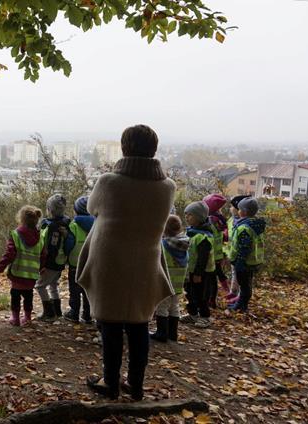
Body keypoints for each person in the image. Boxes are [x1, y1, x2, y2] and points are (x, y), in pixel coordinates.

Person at [77, 125, 175, 401]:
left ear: (124, 147)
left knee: (110, 324)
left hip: (109, 260)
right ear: (153, 149)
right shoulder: (168, 187)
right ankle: (136, 384)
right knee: (138, 324)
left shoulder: (109, 182)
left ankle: (111, 383)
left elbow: (91, 208)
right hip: (146, 261)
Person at [0, 205, 46, 327]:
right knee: (28, 296)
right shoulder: (41, 237)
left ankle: (15, 318)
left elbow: (10, 253)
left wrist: (2, 266)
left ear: (21, 219)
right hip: (32, 275)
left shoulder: (15, 235)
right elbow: (43, 255)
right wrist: (42, 268)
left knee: (15, 295)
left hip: (17, 273)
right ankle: (28, 318)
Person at [150, 215, 188, 343]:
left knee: (162, 307)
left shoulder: (164, 245)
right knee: (174, 307)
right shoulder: (184, 244)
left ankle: (162, 333)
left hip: (165, 282)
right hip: (178, 283)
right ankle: (173, 333)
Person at [181, 201, 216, 329]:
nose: (186, 217)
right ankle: (193, 314)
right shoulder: (191, 232)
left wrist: (198, 273)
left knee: (201, 295)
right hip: (190, 270)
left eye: (190, 215)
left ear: (199, 217)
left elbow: (203, 258)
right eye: (185, 214)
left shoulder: (203, 236)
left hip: (202, 272)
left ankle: (205, 317)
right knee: (189, 293)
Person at [227, 197, 266, 312]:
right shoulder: (254, 225)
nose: (237, 211)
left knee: (244, 285)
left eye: (239, 209)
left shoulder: (245, 227)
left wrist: (239, 261)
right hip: (251, 261)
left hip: (244, 262)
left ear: (243, 211)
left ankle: (242, 306)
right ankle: (241, 304)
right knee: (246, 284)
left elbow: (244, 247)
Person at [37, 194, 71, 321]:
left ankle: (49, 313)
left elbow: (52, 247)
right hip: (60, 260)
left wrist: (43, 264)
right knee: (52, 285)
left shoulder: (52, 226)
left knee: (40, 286)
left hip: (51, 261)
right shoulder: (65, 222)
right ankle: (58, 311)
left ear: (50, 210)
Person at [64, 196, 95, 324]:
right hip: (91, 265)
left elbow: (69, 244)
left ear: (76, 210)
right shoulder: (97, 225)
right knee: (87, 290)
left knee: (75, 290)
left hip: (75, 264)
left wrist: (66, 254)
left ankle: (74, 313)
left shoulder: (73, 225)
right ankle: (87, 315)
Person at [203, 193, 228, 307]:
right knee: (214, 277)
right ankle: (213, 299)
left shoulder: (209, 221)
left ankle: (209, 299)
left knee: (209, 279)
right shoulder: (220, 219)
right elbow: (225, 236)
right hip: (218, 254)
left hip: (210, 255)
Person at [224, 195, 250, 304]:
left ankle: (239, 295)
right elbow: (228, 232)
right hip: (232, 251)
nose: (230, 209)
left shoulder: (244, 223)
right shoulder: (232, 220)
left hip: (240, 254)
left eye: (232, 207)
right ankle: (233, 291)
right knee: (234, 272)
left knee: (242, 276)